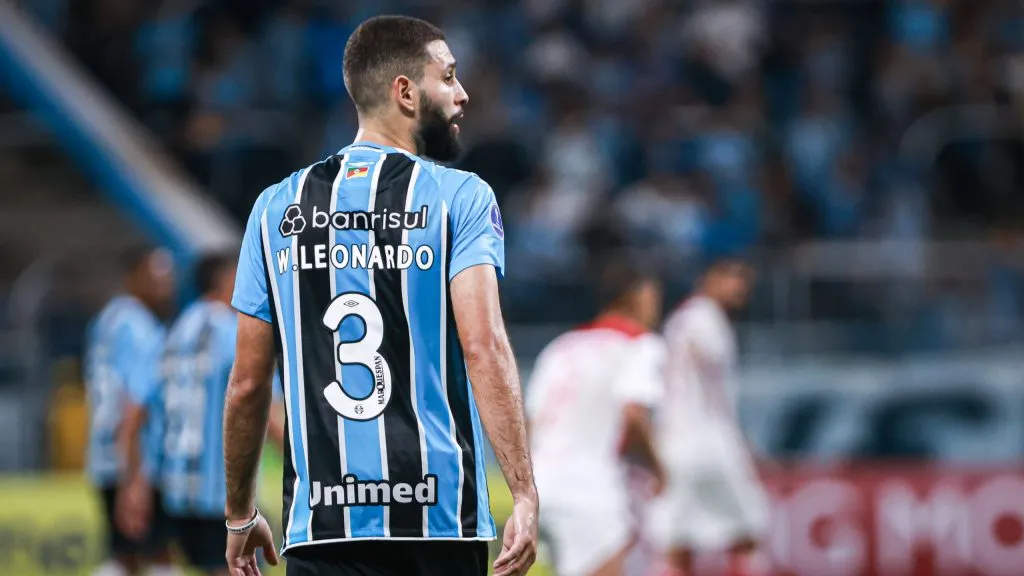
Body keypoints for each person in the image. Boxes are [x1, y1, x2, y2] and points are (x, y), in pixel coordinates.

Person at [222, 14, 538, 576]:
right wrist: (524, 492)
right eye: (449, 76)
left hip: (323, 526)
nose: (463, 94)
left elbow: (247, 383)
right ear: (406, 92)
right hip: (438, 520)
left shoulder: (274, 209)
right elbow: (484, 347)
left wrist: (240, 515)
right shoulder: (459, 197)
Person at [526, 253, 668, 576]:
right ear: (635, 295)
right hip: (589, 488)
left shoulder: (562, 345)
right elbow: (633, 415)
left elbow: (531, 421)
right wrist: (660, 468)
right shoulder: (639, 345)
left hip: (541, 485)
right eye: (653, 296)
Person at [650, 259, 770, 576]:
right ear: (709, 278)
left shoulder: (680, 318)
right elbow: (706, 360)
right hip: (709, 441)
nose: (740, 287)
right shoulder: (704, 318)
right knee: (749, 531)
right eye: (733, 277)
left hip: (675, 441)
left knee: (677, 539)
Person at [84, 246, 176, 576]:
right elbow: (133, 402)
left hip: (104, 453)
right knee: (157, 556)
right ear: (133, 277)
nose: (166, 286)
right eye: (157, 277)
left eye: (169, 278)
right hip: (137, 458)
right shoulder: (140, 328)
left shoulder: (106, 319)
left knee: (127, 556)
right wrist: (134, 476)